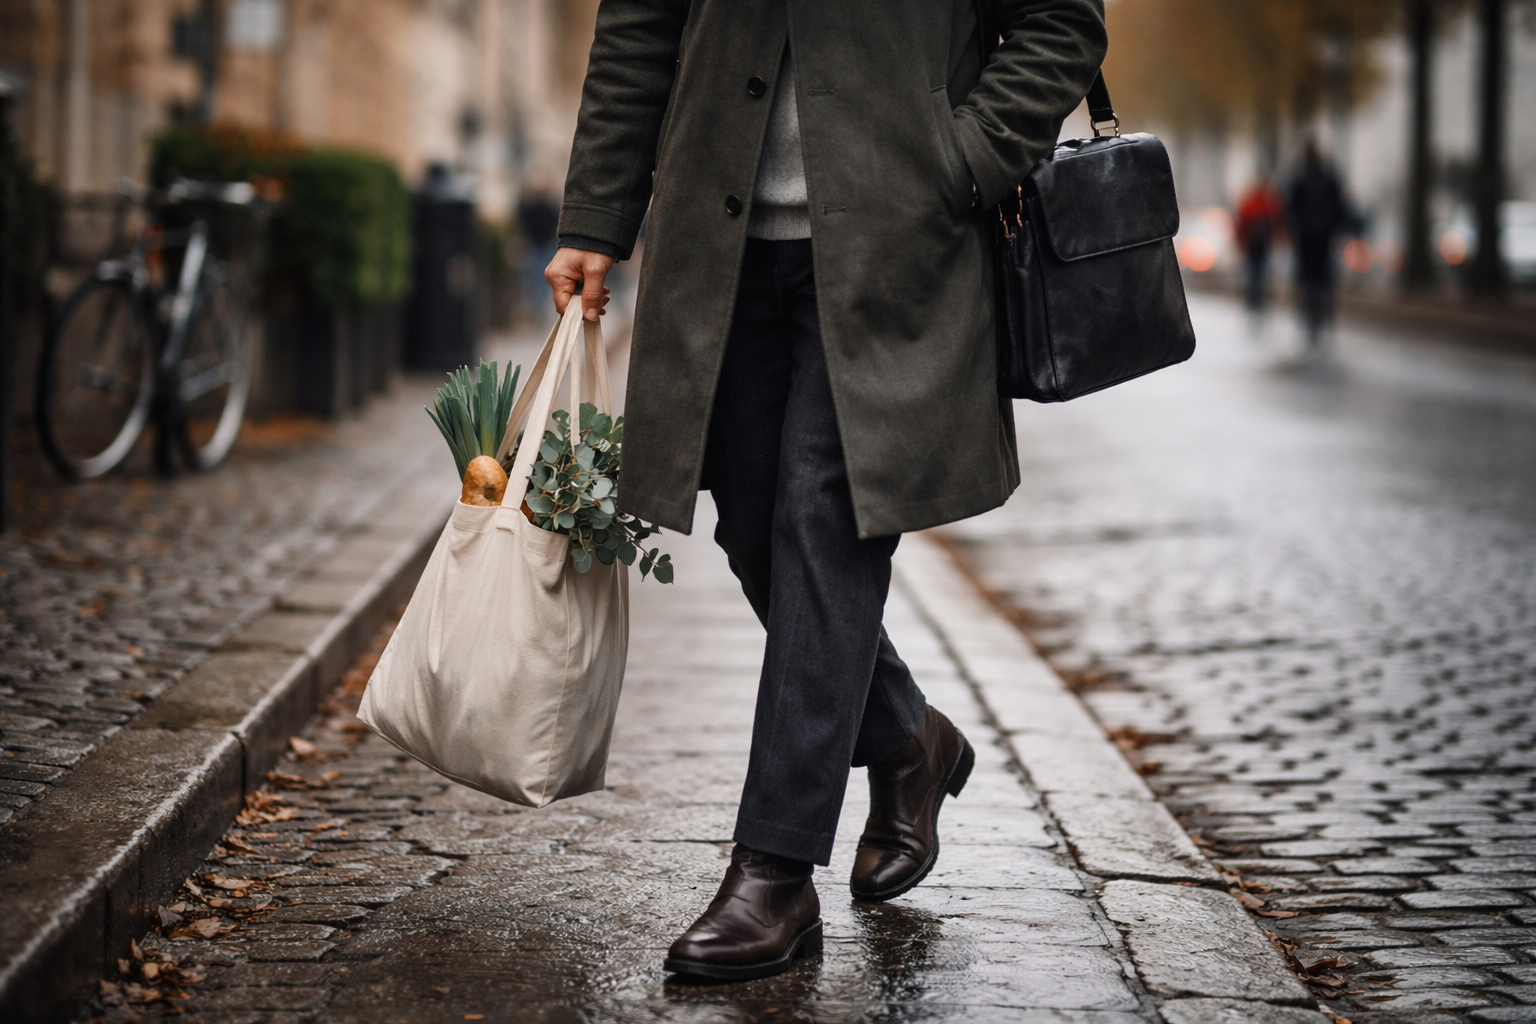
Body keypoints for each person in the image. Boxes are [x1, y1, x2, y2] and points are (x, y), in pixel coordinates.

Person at [545, 0, 1106, 981]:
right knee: (753, 525)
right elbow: (640, 21)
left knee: (823, 524)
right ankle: (907, 739)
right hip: (715, 245)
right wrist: (598, 213)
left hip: (897, 247)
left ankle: (774, 867)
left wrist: (960, 160)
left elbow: (1060, 20)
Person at [1287, 139, 1352, 347]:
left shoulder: (1299, 178)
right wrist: (1338, 229)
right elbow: (1340, 207)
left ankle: (1309, 317)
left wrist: (1293, 231)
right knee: (1324, 278)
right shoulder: (1329, 178)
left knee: (1307, 279)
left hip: (1305, 238)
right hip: (1324, 237)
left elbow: (1291, 210)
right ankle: (1324, 316)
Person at [1235, 176, 1285, 317]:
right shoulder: (1267, 203)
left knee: (1255, 272)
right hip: (1260, 245)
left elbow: (1243, 223)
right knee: (1259, 272)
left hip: (1256, 245)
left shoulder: (1252, 203)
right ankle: (1257, 298)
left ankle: (1254, 298)